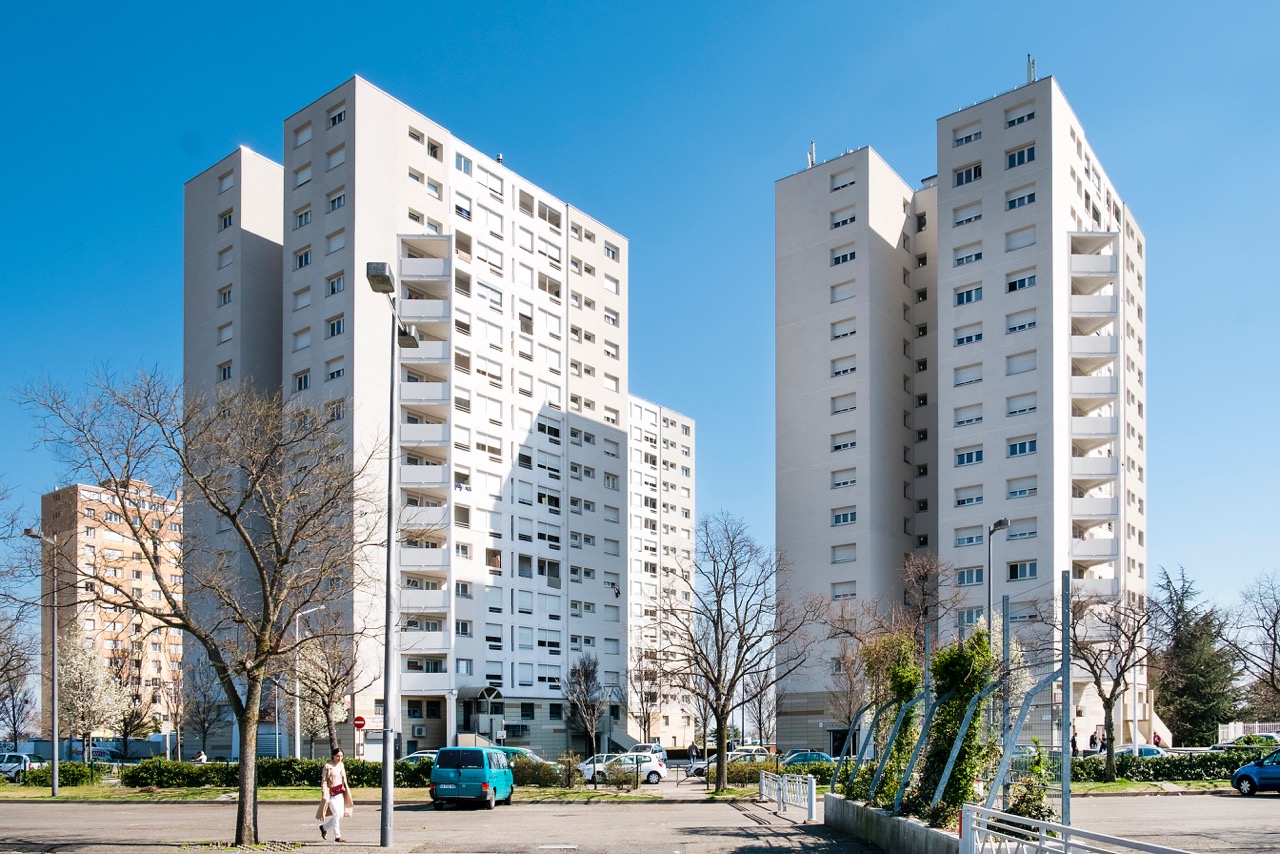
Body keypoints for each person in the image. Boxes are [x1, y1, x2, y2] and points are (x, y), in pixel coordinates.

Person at [316, 747, 353, 842]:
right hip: (331, 794)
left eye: (341, 756)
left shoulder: (341, 765)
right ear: (333, 756)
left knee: (340, 815)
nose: (340, 758)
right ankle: (337, 836)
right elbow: (324, 781)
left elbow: (344, 779)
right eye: (337, 756)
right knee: (336, 813)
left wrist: (344, 787)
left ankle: (324, 827)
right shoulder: (328, 766)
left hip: (340, 793)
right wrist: (324, 793)